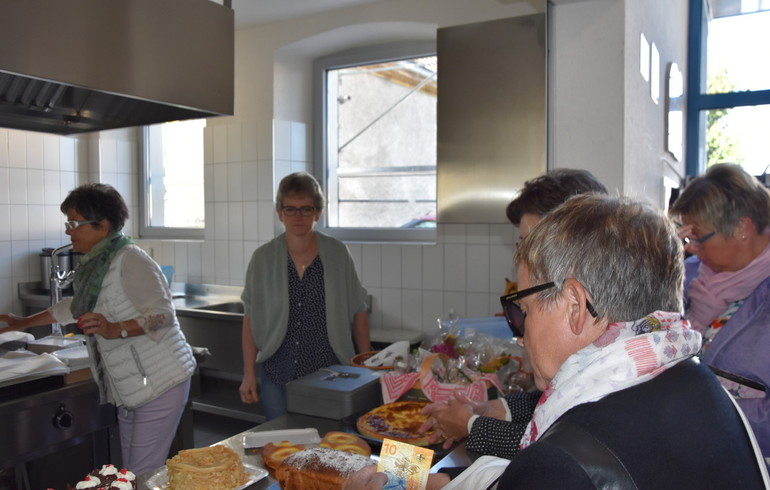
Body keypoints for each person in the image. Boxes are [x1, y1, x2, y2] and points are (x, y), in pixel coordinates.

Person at [347, 194, 769, 489]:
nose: (519, 331)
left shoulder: (569, 460)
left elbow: (545, 469)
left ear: (573, 305)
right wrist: (420, 480)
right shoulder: (701, 385)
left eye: (522, 311)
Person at [0, 183, 196, 476]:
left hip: (160, 381)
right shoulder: (98, 264)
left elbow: (162, 315)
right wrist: (22, 323)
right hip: (133, 386)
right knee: (131, 473)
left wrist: (116, 328)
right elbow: (74, 306)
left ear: (102, 225)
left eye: (74, 223)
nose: (68, 231)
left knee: (143, 474)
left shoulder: (130, 259)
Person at [420, 168, 608, 459]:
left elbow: (560, 442)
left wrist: (472, 426)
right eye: (521, 244)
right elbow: (554, 399)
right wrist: (492, 409)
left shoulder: (605, 328)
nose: (519, 257)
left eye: (529, 245)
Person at [239, 171, 371, 420]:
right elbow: (250, 320)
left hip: (331, 374)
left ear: (317, 212)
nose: (298, 216)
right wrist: (248, 374)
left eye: (306, 209)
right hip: (278, 372)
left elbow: (358, 310)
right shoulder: (262, 258)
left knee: (331, 444)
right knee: (282, 445)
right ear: (280, 212)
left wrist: (366, 369)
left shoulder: (337, 253)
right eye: (290, 209)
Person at [669, 163, 770, 462]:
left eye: (699, 237)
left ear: (742, 227)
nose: (692, 248)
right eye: (687, 237)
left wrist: (705, 406)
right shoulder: (692, 276)